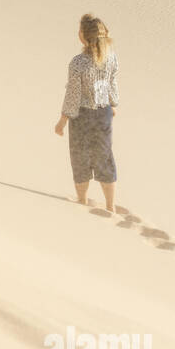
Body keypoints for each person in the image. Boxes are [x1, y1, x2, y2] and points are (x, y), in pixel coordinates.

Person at [54, 14, 119, 212]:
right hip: (103, 113)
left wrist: (62, 120)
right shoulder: (111, 57)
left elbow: (73, 94)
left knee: (80, 157)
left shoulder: (78, 63)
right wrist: (113, 103)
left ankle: (82, 200)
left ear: (83, 36)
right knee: (104, 156)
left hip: (82, 116)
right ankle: (111, 206)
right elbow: (111, 82)